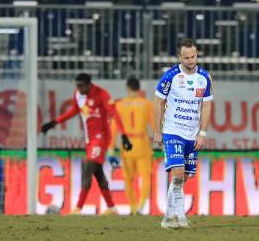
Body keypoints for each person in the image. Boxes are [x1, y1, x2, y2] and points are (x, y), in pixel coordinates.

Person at [41, 73, 132, 215]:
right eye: (77, 86)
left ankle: (78, 208)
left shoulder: (102, 94)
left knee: (88, 165)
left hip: (101, 138)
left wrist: (124, 135)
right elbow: (73, 111)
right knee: (98, 172)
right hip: (90, 140)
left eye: (81, 86)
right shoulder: (78, 95)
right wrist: (53, 123)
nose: (79, 89)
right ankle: (112, 208)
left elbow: (114, 113)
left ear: (89, 84)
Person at [154, 38, 213, 229]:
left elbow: (206, 106)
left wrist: (202, 133)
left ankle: (167, 218)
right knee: (177, 175)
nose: (190, 61)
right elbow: (158, 103)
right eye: (186, 57)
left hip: (192, 134)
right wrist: (157, 131)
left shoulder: (204, 77)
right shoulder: (170, 76)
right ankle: (181, 218)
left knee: (185, 177)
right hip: (172, 131)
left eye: (193, 56)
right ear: (179, 57)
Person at [110, 77, 155, 215]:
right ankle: (141, 206)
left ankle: (133, 207)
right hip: (142, 145)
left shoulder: (119, 105)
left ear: (128, 88)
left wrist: (111, 148)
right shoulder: (147, 104)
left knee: (128, 179)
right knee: (146, 177)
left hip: (126, 145)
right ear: (139, 88)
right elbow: (154, 126)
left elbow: (114, 128)